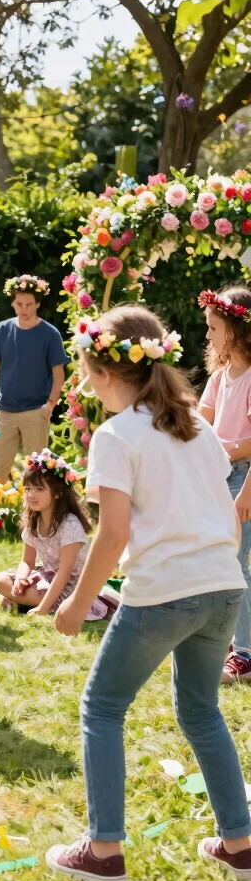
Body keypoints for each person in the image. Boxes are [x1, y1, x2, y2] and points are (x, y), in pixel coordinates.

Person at [47, 305, 251, 881]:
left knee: (103, 706)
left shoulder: (116, 436)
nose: (87, 386)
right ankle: (239, 844)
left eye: (87, 374)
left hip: (166, 592)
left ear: (110, 373)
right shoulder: (197, 425)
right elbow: (228, 518)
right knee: (201, 710)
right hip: (223, 588)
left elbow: (111, 535)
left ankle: (103, 851)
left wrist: (71, 603)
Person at [198, 286, 251, 684]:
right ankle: (232, 642)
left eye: (213, 327)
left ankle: (245, 655)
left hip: (245, 477)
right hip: (219, 476)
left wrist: (246, 489)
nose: (208, 336)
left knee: (235, 564)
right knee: (221, 561)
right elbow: (201, 423)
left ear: (235, 328)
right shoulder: (220, 377)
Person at [0, 449, 110, 620]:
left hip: (72, 586)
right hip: (47, 578)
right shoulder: (33, 520)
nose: (31, 495)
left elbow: (64, 573)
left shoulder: (69, 525)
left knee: (40, 594)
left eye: (39, 489)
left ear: (57, 493)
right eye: (28, 489)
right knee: (1, 580)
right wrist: (20, 578)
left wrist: (42, 608)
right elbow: (27, 561)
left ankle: (28, 602)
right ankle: (21, 598)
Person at [0, 275, 68, 483]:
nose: (23, 309)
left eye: (29, 304)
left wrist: (50, 405)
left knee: (37, 474)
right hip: (4, 411)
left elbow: (58, 374)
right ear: (13, 303)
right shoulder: (2, 329)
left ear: (38, 304)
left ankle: (34, 514)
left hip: (36, 411)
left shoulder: (50, 334)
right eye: (19, 304)